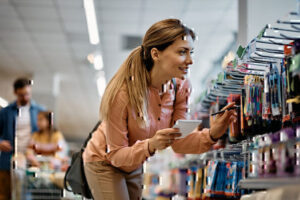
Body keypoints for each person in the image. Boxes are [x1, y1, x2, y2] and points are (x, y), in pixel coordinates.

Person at [83, 19, 237, 200]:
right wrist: (150, 145)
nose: (190, 60)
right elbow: (116, 155)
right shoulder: (122, 94)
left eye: (191, 52)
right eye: (182, 52)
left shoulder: (180, 87)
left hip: (134, 161)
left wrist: (212, 134)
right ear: (156, 54)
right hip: (104, 160)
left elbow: (179, 141)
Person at [0, 77, 45, 200]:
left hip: (30, 161)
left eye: (27, 94)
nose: (25, 97)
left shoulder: (40, 112)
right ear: (15, 93)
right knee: (4, 194)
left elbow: (47, 136)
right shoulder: (5, 112)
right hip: (7, 161)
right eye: (21, 95)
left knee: (25, 196)